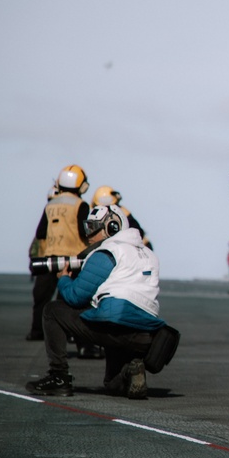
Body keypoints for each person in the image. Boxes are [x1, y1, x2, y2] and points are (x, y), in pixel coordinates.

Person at [25, 205, 169, 399]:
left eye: (93, 227)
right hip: (144, 336)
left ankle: (58, 377)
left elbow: (76, 297)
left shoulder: (108, 252)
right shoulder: (150, 255)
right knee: (112, 385)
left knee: (52, 311)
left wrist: (64, 279)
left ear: (112, 228)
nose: (88, 233)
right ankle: (130, 372)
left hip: (113, 326)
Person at [28, 165, 91, 342]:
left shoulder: (51, 204)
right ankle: (70, 334)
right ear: (81, 185)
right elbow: (85, 232)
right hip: (73, 259)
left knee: (42, 298)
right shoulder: (81, 205)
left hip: (50, 258)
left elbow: (41, 232)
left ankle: (37, 332)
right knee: (69, 299)